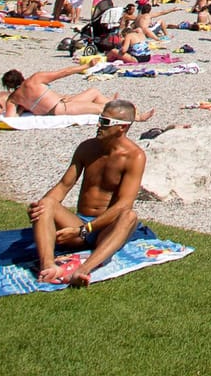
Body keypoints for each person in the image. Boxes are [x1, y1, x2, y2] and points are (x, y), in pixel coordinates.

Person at [28, 99, 146, 286]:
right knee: (46, 203)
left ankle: (82, 270)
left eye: (106, 122)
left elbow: (124, 203)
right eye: (99, 119)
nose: (99, 125)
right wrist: (42, 209)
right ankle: (48, 266)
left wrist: (86, 230)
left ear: (122, 128)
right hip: (79, 222)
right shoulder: (87, 148)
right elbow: (64, 186)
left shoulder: (134, 156)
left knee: (129, 216)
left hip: (103, 229)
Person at [4, 66, 143, 119]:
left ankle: (113, 101)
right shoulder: (34, 79)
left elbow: (11, 117)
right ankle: (135, 116)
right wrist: (87, 66)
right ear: (21, 76)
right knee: (102, 109)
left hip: (62, 103)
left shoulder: (13, 98)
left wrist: (22, 109)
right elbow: (63, 72)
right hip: (59, 108)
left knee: (93, 91)